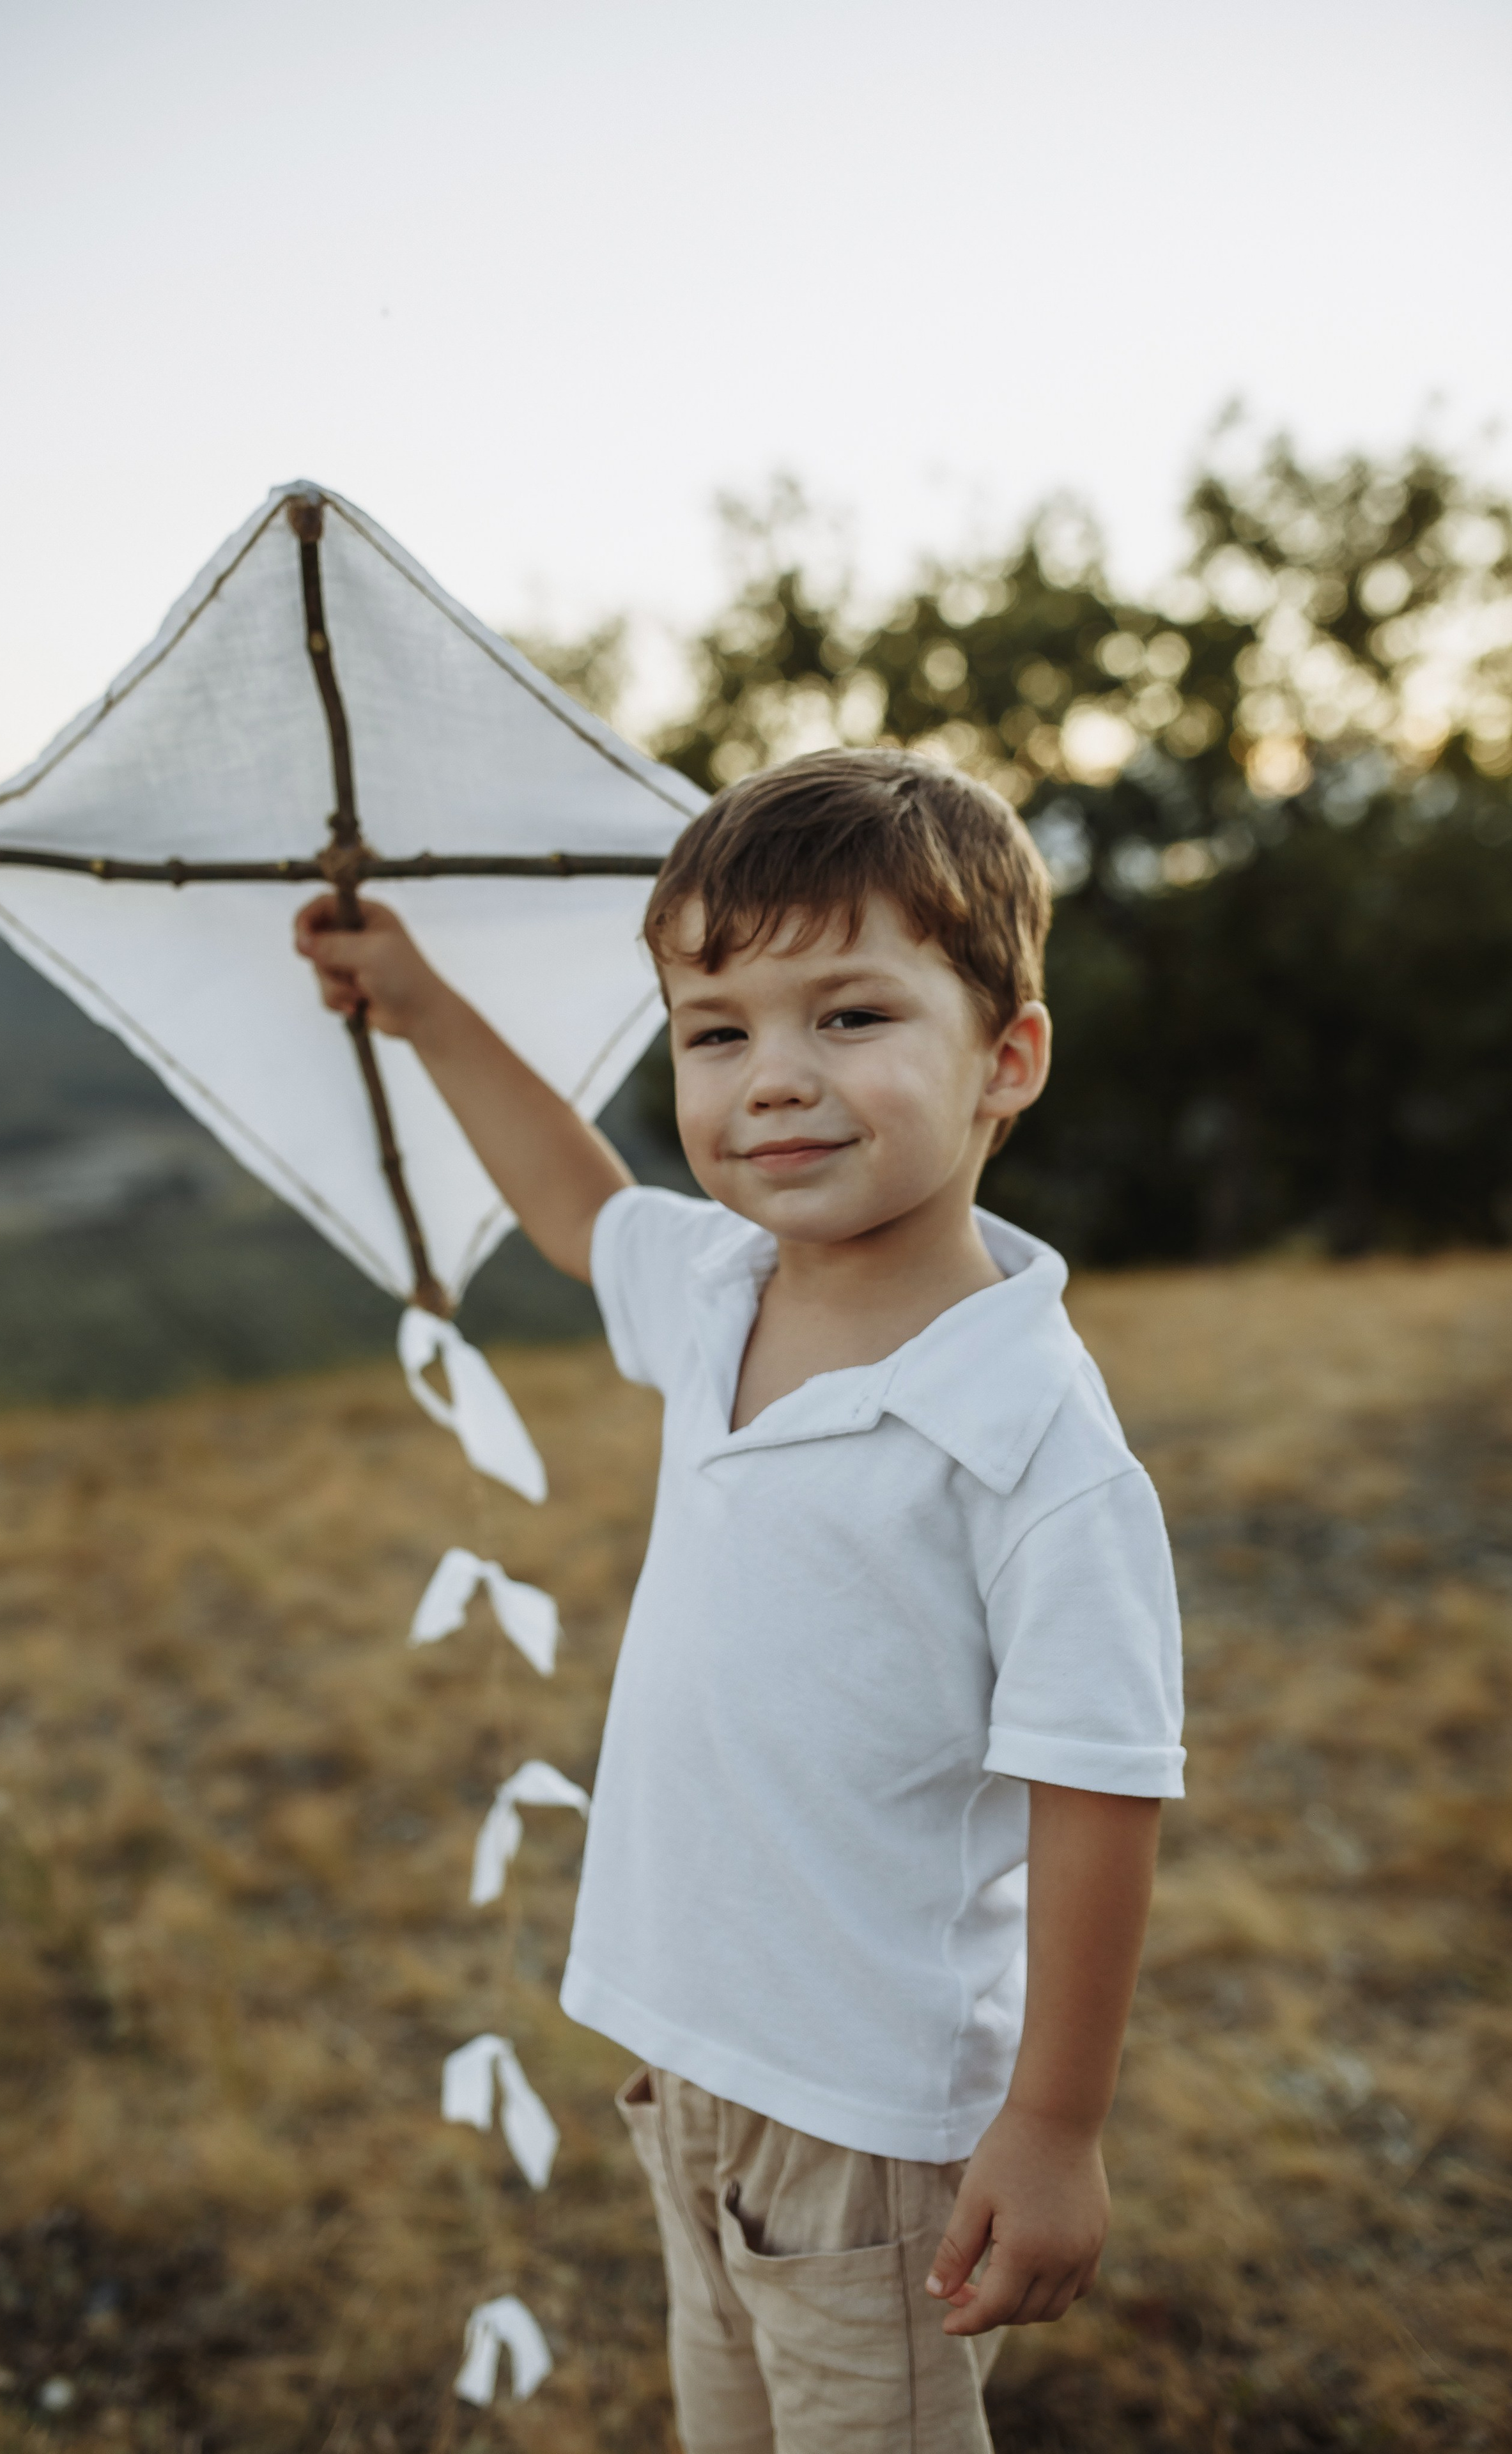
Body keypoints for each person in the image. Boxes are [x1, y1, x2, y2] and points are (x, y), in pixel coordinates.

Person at [295, 748, 1184, 2454]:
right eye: (717, 1031)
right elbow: (572, 1200)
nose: (772, 1079)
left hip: (866, 2118)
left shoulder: (1034, 1445)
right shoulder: (717, 1288)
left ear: (1008, 1060)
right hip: (684, 2051)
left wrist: (1056, 2127)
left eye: (849, 1018)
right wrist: (418, 1007)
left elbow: (1100, 1790)